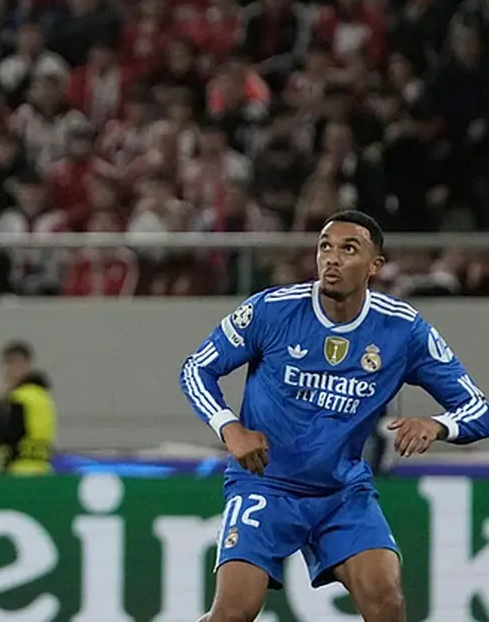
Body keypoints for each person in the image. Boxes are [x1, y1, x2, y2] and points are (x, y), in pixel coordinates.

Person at [180, 210, 489, 622]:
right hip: (265, 485)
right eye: (325, 246)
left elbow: (479, 409)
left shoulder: (402, 330)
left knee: (387, 602)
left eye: (348, 249)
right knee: (233, 613)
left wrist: (437, 424)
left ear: (375, 265)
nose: (332, 258)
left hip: (340, 493)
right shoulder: (273, 311)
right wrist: (229, 427)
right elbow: (195, 368)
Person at [0, 340, 57, 474]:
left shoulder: (18, 399)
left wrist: (1, 401)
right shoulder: (44, 396)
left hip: (17, 470)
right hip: (43, 468)